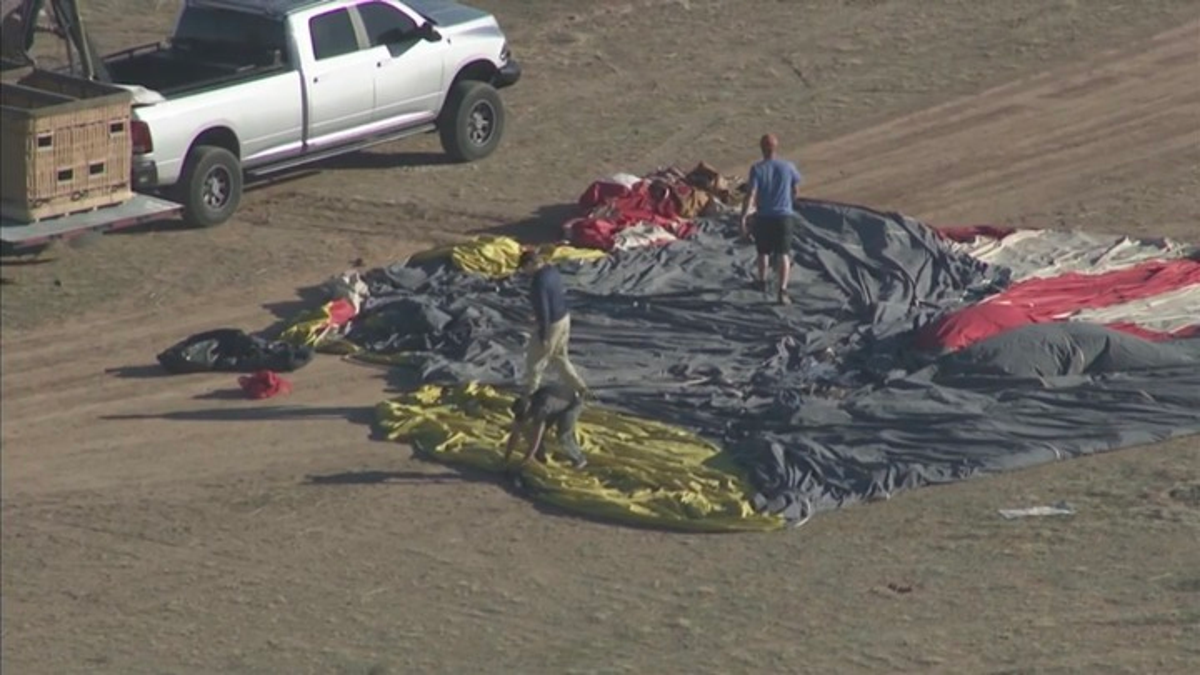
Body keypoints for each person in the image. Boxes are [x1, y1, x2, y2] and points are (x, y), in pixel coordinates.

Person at [739, 133, 805, 305]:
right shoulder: (788, 167)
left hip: (764, 217)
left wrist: (744, 217)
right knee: (783, 253)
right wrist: (788, 202)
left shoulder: (757, 169)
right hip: (784, 216)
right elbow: (796, 190)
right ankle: (782, 290)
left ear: (761, 148)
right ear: (776, 147)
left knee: (763, 251)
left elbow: (751, 194)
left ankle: (762, 281)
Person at [518, 249, 590, 396]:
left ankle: (530, 394)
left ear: (531, 264)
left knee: (534, 361)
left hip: (551, 325)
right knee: (559, 357)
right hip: (564, 319)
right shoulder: (552, 270)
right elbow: (554, 296)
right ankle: (580, 388)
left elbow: (544, 308)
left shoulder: (538, 282)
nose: (525, 272)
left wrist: (544, 336)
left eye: (524, 268)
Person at [504, 384, 588, 470]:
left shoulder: (541, 409)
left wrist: (527, 458)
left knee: (562, 435)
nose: (523, 419)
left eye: (524, 417)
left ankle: (579, 459)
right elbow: (514, 434)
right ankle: (541, 457)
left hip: (572, 403)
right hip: (555, 404)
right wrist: (506, 457)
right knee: (529, 430)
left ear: (528, 411)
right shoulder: (527, 404)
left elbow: (537, 436)